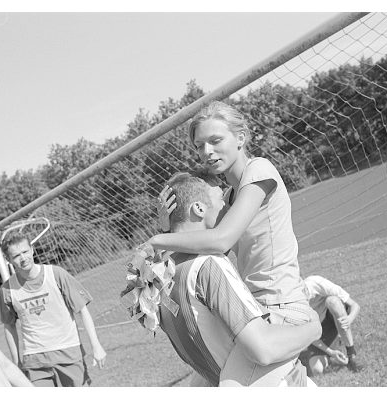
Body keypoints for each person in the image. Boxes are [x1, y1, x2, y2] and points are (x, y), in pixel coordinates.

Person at [144, 172, 321, 386]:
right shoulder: (208, 266)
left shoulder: (161, 272)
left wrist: (168, 229)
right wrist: (313, 329)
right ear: (199, 209)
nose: (228, 209)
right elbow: (263, 349)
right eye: (221, 200)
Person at [151, 100, 313, 329]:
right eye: (199, 146)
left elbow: (221, 240)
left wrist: (156, 241)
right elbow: (204, 245)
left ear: (241, 138)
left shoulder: (259, 170)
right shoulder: (229, 197)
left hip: (280, 303)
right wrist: (167, 227)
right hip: (256, 305)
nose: (206, 152)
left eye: (215, 141)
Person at [0, 232, 107, 387]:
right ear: (8, 259)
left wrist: (96, 346)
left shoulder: (56, 274)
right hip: (34, 361)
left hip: (68, 353)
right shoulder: (7, 289)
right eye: (16, 256)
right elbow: (9, 326)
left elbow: (83, 310)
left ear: (32, 249)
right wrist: (17, 362)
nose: (23, 258)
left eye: (25, 252)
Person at [298, 275, 362, 376]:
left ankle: (351, 354)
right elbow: (310, 336)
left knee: (333, 301)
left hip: (333, 319)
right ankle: (333, 351)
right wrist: (331, 352)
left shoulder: (316, 282)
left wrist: (349, 320)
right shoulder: (293, 306)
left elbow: (355, 306)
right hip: (319, 332)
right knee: (317, 370)